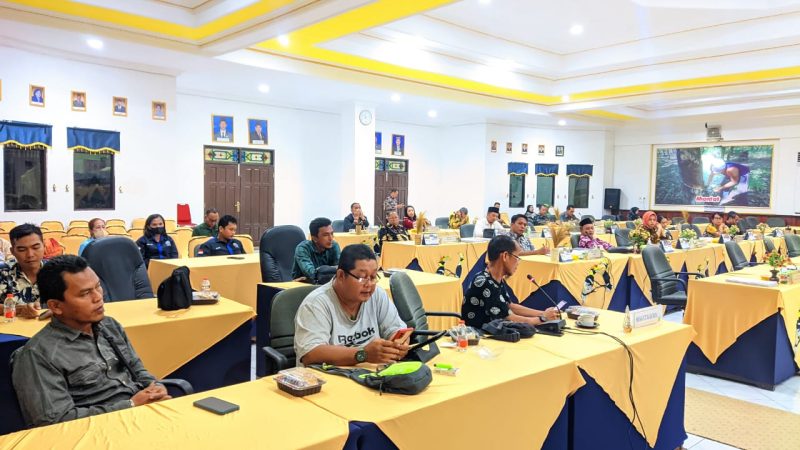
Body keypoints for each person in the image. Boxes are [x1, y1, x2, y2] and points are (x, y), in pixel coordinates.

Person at [11, 255, 170, 427]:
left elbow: (137, 369)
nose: (98, 297)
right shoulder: (38, 354)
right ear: (56, 306)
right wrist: (130, 405)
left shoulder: (109, 325)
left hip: (143, 416)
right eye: (85, 293)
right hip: (99, 430)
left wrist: (155, 386)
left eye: (98, 286)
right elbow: (54, 422)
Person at [294, 244, 409, 366]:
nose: (369, 284)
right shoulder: (316, 303)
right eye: (362, 277)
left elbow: (397, 330)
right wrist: (363, 354)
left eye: (373, 277)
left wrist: (399, 345)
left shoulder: (377, 295)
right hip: (329, 375)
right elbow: (310, 354)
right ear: (341, 276)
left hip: (370, 372)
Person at [462, 235, 560, 329]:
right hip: (481, 335)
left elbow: (509, 306)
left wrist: (543, 313)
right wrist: (542, 318)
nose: (518, 262)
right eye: (517, 257)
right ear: (505, 256)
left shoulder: (495, 278)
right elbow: (509, 318)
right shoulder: (485, 282)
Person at [0, 224, 45, 318]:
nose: (30, 254)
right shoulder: (3, 271)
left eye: (35, 248)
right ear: (12, 251)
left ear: (44, 246)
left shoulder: (58, 271)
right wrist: (18, 309)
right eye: (22, 250)